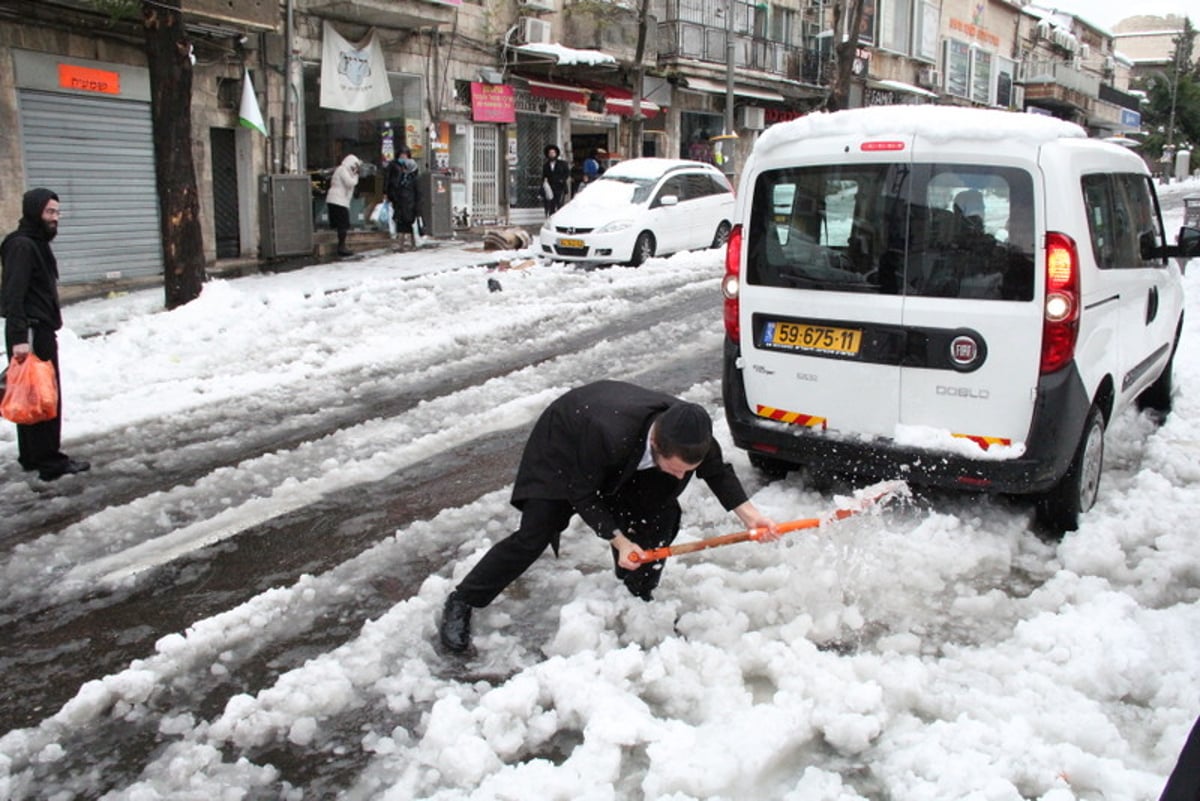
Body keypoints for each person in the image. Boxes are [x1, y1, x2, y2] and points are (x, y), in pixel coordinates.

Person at [438, 380, 779, 653]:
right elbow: (582, 494)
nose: (680, 478)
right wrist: (619, 539)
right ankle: (463, 600)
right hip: (566, 447)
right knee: (535, 534)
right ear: (657, 446)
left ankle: (638, 595)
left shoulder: (691, 437)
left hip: (625, 456)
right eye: (676, 470)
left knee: (659, 517)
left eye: (687, 471)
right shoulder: (608, 433)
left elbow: (717, 472)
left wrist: (751, 517)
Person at [1, 188, 90, 482]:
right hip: (31, 331)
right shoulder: (23, 246)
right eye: (49, 212)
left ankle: (32, 456)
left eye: (57, 212)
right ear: (34, 211)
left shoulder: (34, 242)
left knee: (30, 394)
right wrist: (18, 338)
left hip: (33, 329)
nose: (55, 218)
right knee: (44, 396)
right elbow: (13, 294)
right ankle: (50, 462)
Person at [325, 154, 361, 258]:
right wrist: (356, 176)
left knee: (342, 224)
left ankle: (341, 245)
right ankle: (341, 247)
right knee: (343, 224)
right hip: (337, 201)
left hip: (339, 201)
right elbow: (349, 183)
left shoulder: (344, 171)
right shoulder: (342, 170)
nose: (354, 169)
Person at [385, 150, 421, 252]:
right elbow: (396, 188)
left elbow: (418, 195)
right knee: (400, 224)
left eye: (405, 167)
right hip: (401, 205)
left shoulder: (414, 179)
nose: (404, 169)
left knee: (408, 225)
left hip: (410, 206)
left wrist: (417, 208)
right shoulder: (402, 178)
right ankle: (401, 243)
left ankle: (411, 243)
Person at [542, 145, 570, 216]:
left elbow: (567, 173)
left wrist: (562, 180)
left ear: (556, 153)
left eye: (553, 152)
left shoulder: (562, 163)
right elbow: (544, 176)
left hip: (560, 187)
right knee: (551, 205)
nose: (552, 154)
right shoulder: (546, 165)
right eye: (550, 153)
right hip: (550, 188)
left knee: (560, 204)